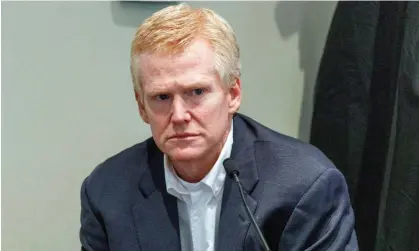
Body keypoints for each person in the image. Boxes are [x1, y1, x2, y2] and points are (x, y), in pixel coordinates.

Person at [79, 3, 359, 251]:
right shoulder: (106, 192)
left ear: (233, 94)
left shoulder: (306, 186)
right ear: (142, 107)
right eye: (161, 97)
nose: (178, 115)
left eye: (196, 92)